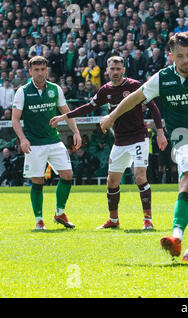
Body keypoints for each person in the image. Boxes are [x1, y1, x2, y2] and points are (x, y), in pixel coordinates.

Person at [99, 32, 188, 263]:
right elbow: (135, 98)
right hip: (184, 140)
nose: (185, 60)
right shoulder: (162, 78)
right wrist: (112, 115)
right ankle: (176, 238)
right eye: (180, 56)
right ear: (171, 56)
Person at [50, 56, 167, 231]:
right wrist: (64, 116)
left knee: (140, 176)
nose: (115, 72)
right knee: (112, 182)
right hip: (119, 141)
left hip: (138, 137)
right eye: (112, 69)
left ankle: (148, 220)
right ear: (107, 71)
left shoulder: (134, 86)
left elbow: (154, 108)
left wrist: (159, 132)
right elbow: (88, 107)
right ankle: (113, 220)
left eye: (118, 69)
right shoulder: (105, 90)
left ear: (123, 70)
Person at [11, 56, 81, 230]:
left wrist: (76, 132)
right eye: (36, 70)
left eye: (43, 69)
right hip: (34, 143)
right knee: (38, 180)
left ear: (47, 70)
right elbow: (15, 119)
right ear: (30, 72)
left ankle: (59, 213)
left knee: (67, 175)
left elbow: (66, 112)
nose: (40, 73)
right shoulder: (23, 91)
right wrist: (23, 139)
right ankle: (39, 220)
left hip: (54, 140)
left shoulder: (55, 89)